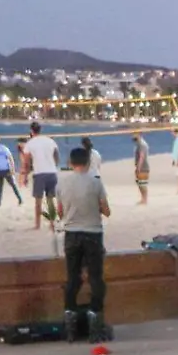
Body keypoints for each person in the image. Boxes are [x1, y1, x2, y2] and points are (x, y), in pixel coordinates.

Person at [57, 147, 112, 344]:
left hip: (71, 235)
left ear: (71, 163)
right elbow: (106, 211)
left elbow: (60, 212)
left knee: (73, 279)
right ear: (88, 162)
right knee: (96, 279)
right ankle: (95, 324)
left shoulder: (62, 183)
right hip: (93, 234)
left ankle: (70, 325)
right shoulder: (96, 181)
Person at [22, 122, 61, 229]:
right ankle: (52, 223)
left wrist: (25, 177)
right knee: (50, 200)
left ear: (31, 131)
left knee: (38, 201)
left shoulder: (30, 143)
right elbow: (57, 155)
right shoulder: (50, 141)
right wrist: (54, 165)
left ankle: (37, 225)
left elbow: (26, 162)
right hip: (52, 172)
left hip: (39, 174)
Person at [0, 136, 22, 207]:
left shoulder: (3, 148)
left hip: (6, 170)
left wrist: (13, 168)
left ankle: (20, 199)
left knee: (13, 185)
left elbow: (10, 158)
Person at [132, 132, 150, 205]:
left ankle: (144, 199)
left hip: (143, 167)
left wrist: (139, 167)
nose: (133, 136)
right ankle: (143, 198)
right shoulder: (139, 144)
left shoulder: (142, 144)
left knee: (142, 184)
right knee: (140, 183)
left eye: (134, 134)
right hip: (140, 167)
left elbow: (142, 156)